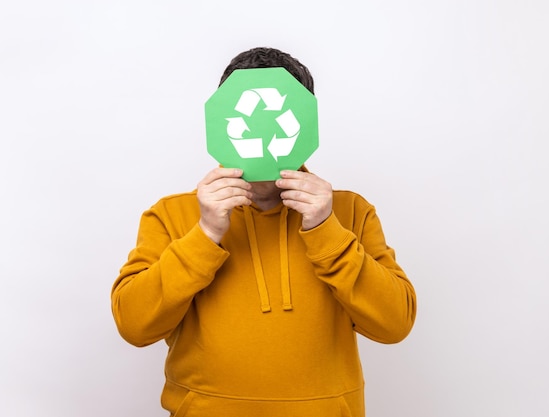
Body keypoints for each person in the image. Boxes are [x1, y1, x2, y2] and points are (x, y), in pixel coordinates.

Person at [111, 47, 417, 417]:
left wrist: (325, 230)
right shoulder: (171, 214)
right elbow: (134, 325)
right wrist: (205, 233)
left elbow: (395, 324)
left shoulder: (350, 211)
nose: (262, 130)